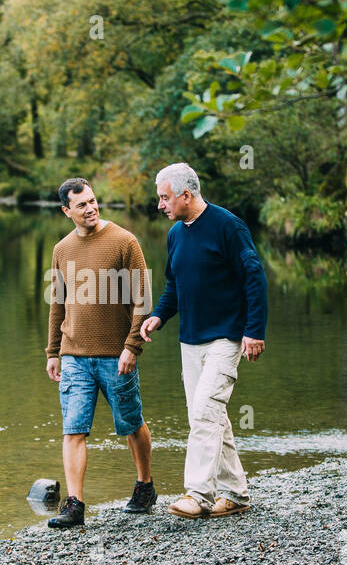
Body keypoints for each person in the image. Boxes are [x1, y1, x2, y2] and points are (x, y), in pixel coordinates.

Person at [139, 163, 267, 518]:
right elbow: (175, 286)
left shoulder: (228, 226)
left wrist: (254, 330)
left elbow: (254, 277)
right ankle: (237, 493)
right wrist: (158, 316)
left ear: (186, 195)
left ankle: (198, 494)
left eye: (164, 198)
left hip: (226, 337)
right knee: (211, 416)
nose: (160, 205)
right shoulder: (176, 234)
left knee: (204, 413)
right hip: (189, 340)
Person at [45, 178, 156, 528]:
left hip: (116, 354)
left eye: (93, 201)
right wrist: (52, 351)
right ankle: (75, 505)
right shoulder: (61, 250)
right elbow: (57, 305)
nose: (91, 208)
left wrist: (131, 346)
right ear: (67, 211)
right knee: (73, 429)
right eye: (82, 205)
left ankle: (145, 485)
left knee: (130, 424)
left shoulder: (125, 241)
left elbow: (143, 298)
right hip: (74, 355)